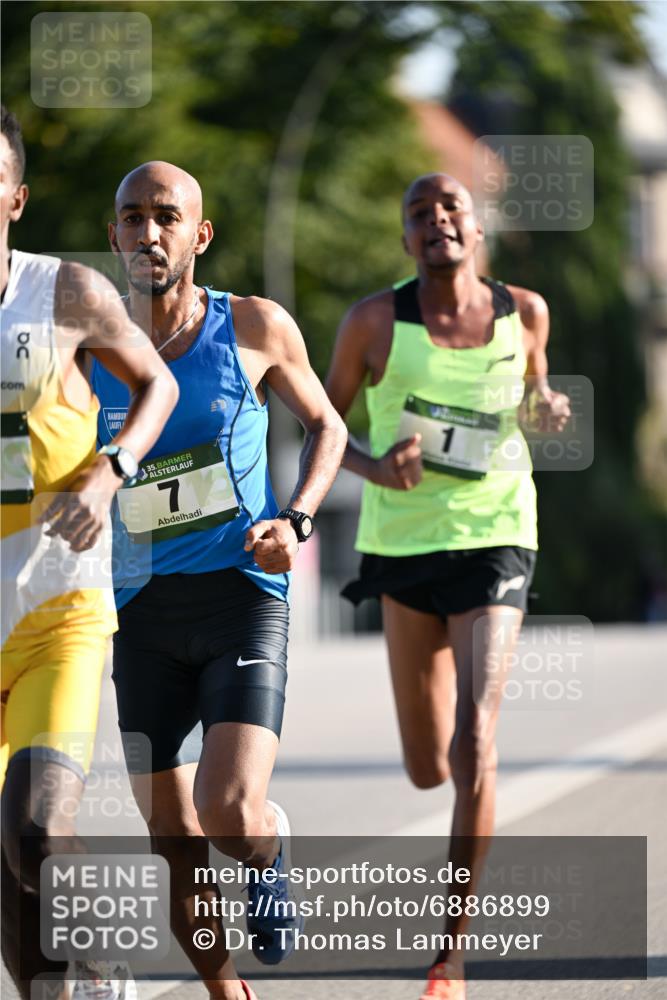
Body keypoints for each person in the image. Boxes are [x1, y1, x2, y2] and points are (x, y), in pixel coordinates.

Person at [90, 161, 347, 1000]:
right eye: (133, 218)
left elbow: (326, 428)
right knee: (172, 840)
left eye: (167, 217)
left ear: (199, 236)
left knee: (229, 815)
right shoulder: (85, 352)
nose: (148, 233)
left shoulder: (255, 327)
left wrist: (299, 519)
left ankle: (269, 843)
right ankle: (226, 993)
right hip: (138, 616)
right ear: (113, 234)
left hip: (241, 597)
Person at [325, 173, 570, 999]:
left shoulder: (523, 312)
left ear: (476, 226)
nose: (437, 222)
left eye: (450, 209)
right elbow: (323, 433)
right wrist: (375, 467)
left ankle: (449, 951)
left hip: (496, 537)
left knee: (474, 740)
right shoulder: (372, 323)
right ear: (405, 240)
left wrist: (543, 406)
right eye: (419, 215)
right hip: (401, 549)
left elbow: (534, 393)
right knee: (428, 765)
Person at [0, 106, 179, 1000]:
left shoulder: (62, 291)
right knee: (6, 868)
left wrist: (110, 473)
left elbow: (158, 380)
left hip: (56, 610)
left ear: (16, 197)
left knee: (34, 831)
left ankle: (104, 959)